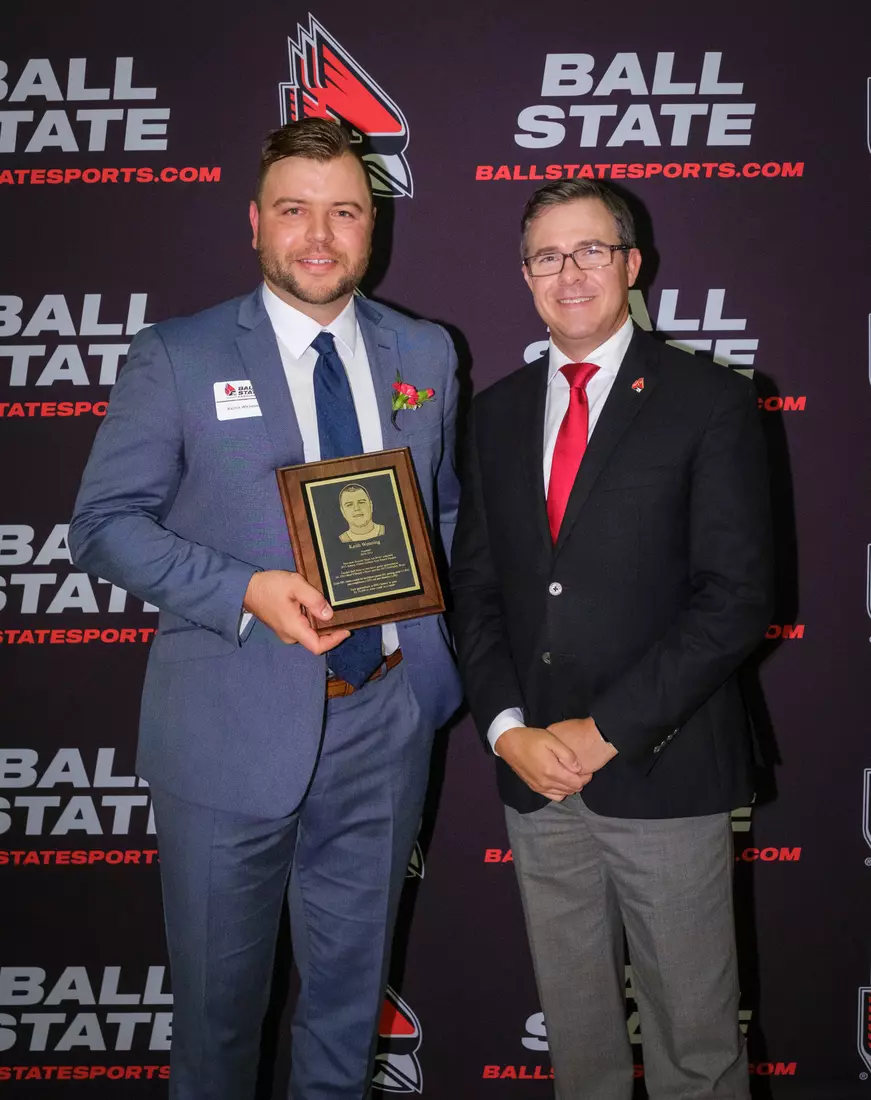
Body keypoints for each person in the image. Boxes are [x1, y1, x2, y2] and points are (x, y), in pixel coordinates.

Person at [69, 118, 462, 1100]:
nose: (319, 235)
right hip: (226, 728)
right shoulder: (178, 352)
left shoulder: (425, 349)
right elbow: (105, 524)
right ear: (255, 222)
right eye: (295, 210)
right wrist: (243, 590)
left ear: (373, 227)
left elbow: (443, 506)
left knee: (343, 1014)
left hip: (383, 718)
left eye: (345, 212)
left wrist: (430, 657)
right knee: (216, 1026)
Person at [450, 178, 772, 1100]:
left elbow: (734, 600)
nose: (570, 272)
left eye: (591, 249)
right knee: (579, 1051)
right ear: (524, 276)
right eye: (547, 256)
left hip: (661, 768)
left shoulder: (708, 400)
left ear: (632, 266)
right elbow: (477, 590)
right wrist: (508, 728)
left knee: (696, 1052)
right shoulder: (496, 413)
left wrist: (604, 730)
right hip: (535, 777)